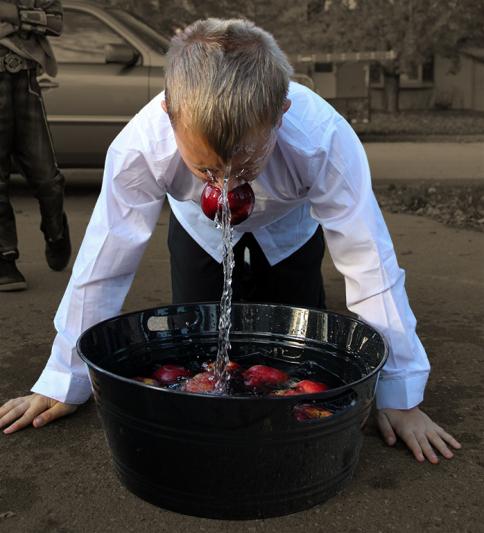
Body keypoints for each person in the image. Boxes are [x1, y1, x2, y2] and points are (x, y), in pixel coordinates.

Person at [0, 18, 461, 464]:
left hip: (290, 231)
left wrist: (400, 393)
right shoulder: (141, 144)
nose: (223, 185)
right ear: (169, 113)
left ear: (282, 113)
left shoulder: (324, 139)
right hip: (196, 230)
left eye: (243, 167)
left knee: (297, 340)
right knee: (196, 345)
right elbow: (104, 259)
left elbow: (369, 261)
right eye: (205, 168)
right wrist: (64, 378)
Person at [0, 0, 71, 291]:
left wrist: (13, 15)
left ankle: (55, 231)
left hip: (25, 82)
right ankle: (5, 259)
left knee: (47, 177)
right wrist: (26, 22)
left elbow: (55, 23)